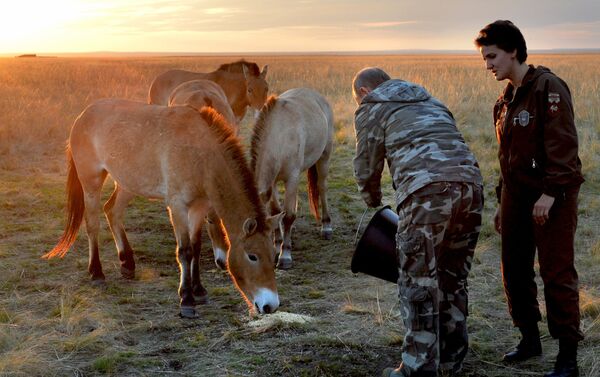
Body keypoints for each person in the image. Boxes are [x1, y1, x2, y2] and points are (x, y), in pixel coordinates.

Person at [352, 67, 484, 376]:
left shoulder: (371, 106)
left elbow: (365, 166)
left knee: (418, 283)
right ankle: (451, 361)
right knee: (452, 278)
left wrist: (372, 200)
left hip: (427, 195)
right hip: (471, 189)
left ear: (363, 92)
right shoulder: (432, 100)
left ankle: (417, 368)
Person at [475, 20, 584, 377]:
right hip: (517, 198)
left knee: (556, 274)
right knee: (515, 272)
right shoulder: (504, 100)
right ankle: (529, 339)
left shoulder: (548, 88)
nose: (487, 64)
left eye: (492, 56)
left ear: (513, 51)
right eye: (484, 58)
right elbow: (508, 158)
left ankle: (568, 356)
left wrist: (551, 193)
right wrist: (502, 199)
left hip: (552, 199)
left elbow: (564, 147)